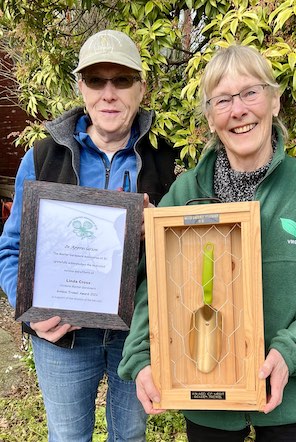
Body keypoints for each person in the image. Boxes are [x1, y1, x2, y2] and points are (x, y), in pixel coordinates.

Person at [118, 45, 296, 442]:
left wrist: (291, 353)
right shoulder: (185, 193)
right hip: (207, 403)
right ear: (210, 116)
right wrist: (141, 357)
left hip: (293, 402)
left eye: (251, 92)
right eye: (222, 100)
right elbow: (153, 285)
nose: (238, 110)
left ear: (274, 102)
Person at [0, 29, 178, 441]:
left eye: (122, 79)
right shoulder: (43, 157)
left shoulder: (169, 160)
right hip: (61, 339)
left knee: (130, 436)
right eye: (97, 80)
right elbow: (10, 249)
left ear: (141, 87)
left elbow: (188, 250)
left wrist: (159, 229)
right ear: (81, 87)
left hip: (136, 338)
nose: (109, 93)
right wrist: (29, 308)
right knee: (66, 438)